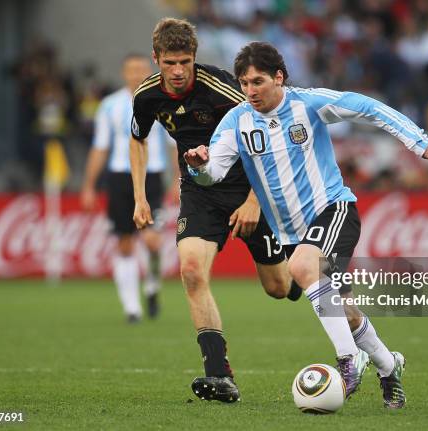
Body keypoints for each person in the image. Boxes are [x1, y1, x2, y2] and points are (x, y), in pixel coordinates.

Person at [184, 41, 428, 408]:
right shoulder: (236, 120)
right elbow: (212, 173)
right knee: (343, 308)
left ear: (279, 77)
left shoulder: (308, 103)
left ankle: (348, 361)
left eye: (258, 82)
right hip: (292, 232)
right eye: (244, 83)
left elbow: (368, 108)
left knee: (300, 267)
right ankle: (389, 367)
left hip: (334, 209)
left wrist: (418, 142)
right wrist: (198, 165)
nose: (250, 91)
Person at [130, 18, 309, 404]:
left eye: (186, 61)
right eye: (170, 63)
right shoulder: (146, 97)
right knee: (192, 271)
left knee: (278, 289)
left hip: (250, 186)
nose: (178, 71)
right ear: (156, 58)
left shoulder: (223, 88)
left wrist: (254, 201)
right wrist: (140, 196)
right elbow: (138, 139)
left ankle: (300, 273)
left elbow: (269, 135)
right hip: (200, 191)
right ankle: (220, 375)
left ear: (194, 57)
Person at [81, 53, 173, 323]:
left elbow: (173, 143)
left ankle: (153, 285)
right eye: (131, 70)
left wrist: (179, 178)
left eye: (141, 69)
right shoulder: (109, 106)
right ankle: (132, 308)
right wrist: (88, 185)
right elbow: (100, 147)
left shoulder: (162, 100)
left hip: (152, 174)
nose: (136, 74)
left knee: (152, 240)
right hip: (119, 177)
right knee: (124, 242)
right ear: (124, 73)